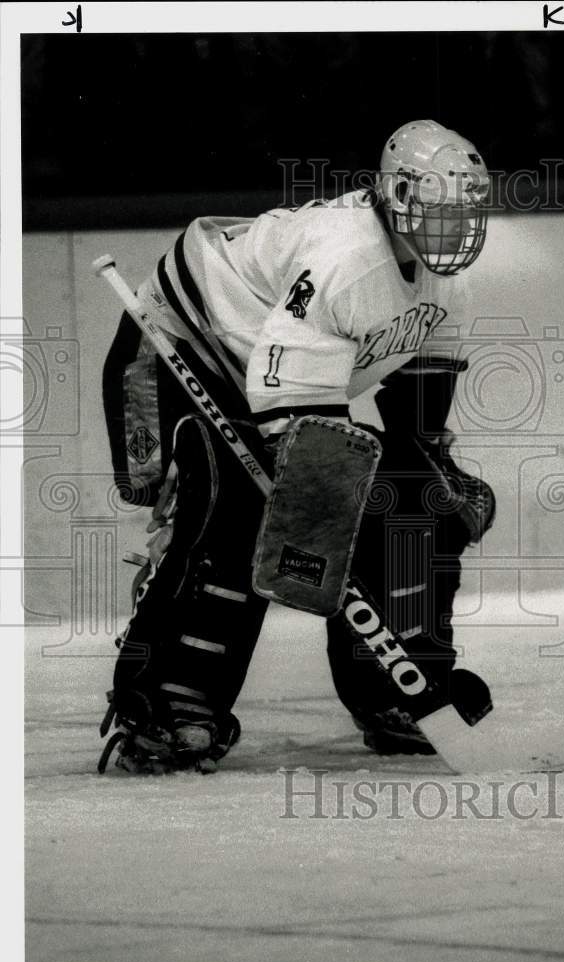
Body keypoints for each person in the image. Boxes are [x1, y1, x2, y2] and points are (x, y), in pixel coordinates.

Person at [99, 119, 496, 774]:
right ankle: (169, 700)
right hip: (180, 349)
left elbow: (417, 404)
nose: (454, 230)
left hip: (269, 372)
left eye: (465, 214)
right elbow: (288, 395)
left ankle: (400, 687)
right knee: (237, 509)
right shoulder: (348, 258)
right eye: (439, 213)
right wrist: (318, 508)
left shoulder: (442, 278)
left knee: (416, 504)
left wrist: (427, 469)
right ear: (397, 199)